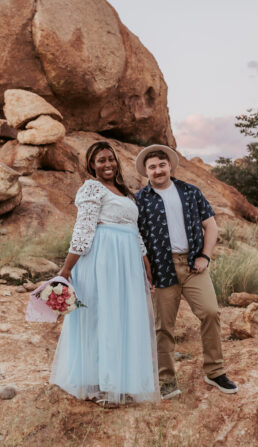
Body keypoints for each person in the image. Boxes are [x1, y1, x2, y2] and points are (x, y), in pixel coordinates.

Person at [49, 141, 160, 405]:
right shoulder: (91, 188)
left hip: (128, 261)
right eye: (101, 160)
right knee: (103, 315)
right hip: (102, 260)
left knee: (124, 316)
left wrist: (144, 260)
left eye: (111, 159)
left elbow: (134, 229)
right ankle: (102, 384)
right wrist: (66, 269)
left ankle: (123, 381)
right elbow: (83, 229)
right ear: (92, 165)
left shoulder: (123, 192)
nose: (108, 164)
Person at [134, 144, 237, 399]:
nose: (158, 170)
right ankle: (166, 379)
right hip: (160, 268)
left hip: (192, 265)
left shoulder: (190, 192)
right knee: (163, 327)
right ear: (146, 172)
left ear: (169, 165)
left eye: (161, 165)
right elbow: (133, 237)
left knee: (211, 312)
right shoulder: (139, 200)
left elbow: (211, 227)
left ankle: (214, 371)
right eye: (152, 167)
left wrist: (205, 256)